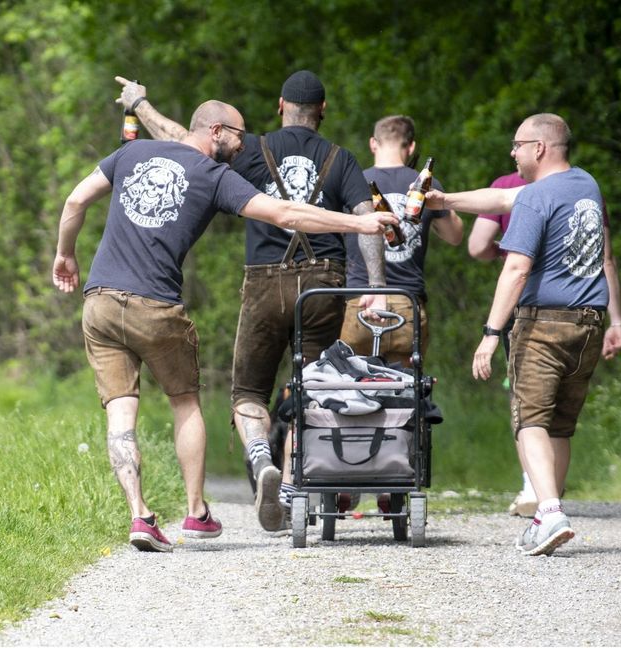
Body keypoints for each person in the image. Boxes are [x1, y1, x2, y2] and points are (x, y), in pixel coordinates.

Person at [53, 99, 397, 552]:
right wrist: (359, 223)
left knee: (120, 412)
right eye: (237, 134)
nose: (241, 144)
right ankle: (196, 512)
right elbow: (286, 214)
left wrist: (65, 254)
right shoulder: (214, 176)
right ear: (216, 131)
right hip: (155, 306)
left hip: (98, 301)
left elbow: (76, 199)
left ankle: (139, 515)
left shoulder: (131, 152)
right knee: (185, 403)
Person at [424, 113, 621, 556]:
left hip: (544, 324)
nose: (512, 152)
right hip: (588, 324)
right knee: (560, 426)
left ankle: (549, 512)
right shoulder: (586, 186)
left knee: (529, 420)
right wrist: (445, 199)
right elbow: (500, 197)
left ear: (539, 147)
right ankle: (544, 517)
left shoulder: (536, 197)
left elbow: (515, 268)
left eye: (517, 144)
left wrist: (491, 333)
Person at [341, 115, 463, 367]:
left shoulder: (354, 183)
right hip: (407, 304)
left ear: (373, 143)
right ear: (412, 146)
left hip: (361, 302)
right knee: (405, 386)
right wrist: (440, 207)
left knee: (351, 386)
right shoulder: (425, 185)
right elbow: (455, 236)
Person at [468, 171, 540, 518]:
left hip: (522, 301)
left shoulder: (505, 187)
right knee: (557, 396)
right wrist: (617, 319)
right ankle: (552, 483)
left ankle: (533, 486)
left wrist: (504, 251)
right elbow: (605, 256)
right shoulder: (582, 186)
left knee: (523, 396)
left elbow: (477, 245)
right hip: (574, 304)